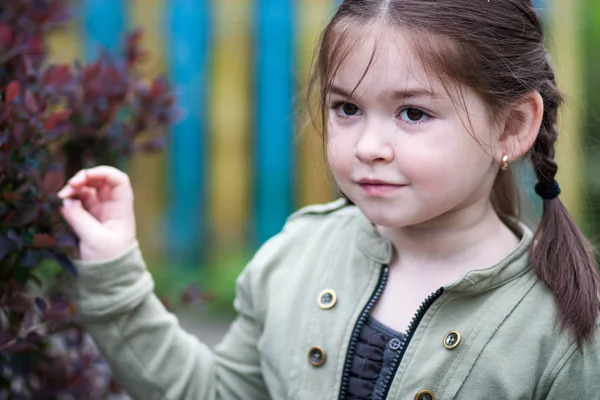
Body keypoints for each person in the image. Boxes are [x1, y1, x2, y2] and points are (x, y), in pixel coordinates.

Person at [58, 1, 600, 399]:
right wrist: (115, 270)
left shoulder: (564, 330)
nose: (367, 147)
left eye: (413, 113)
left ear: (512, 125)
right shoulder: (298, 254)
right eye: (347, 108)